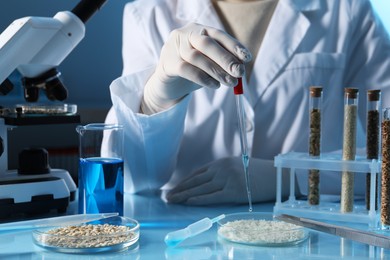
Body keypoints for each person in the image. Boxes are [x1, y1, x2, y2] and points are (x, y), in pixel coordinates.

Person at [105, 0, 390, 205]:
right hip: (185, 235)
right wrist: (156, 101)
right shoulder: (148, 14)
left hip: (308, 234)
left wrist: (290, 176)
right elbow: (132, 180)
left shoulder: (347, 9)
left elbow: (386, 154)